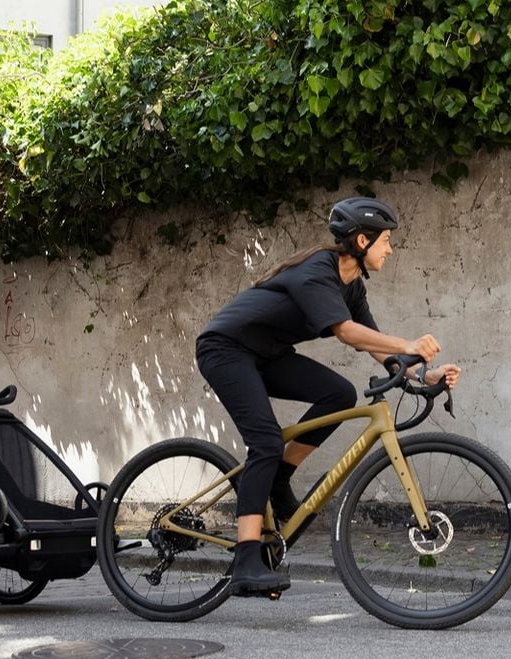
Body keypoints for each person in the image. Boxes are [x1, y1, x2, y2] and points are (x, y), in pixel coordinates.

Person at [195, 196, 461, 596]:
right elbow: (347, 332)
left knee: (339, 393)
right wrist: (409, 342)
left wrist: (426, 372)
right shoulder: (317, 271)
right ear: (360, 241)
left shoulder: (352, 286)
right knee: (265, 442)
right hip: (225, 349)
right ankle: (246, 559)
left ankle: (279, 477)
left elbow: (377, 348)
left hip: (266, 355)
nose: (390, 249)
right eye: (386, 240)